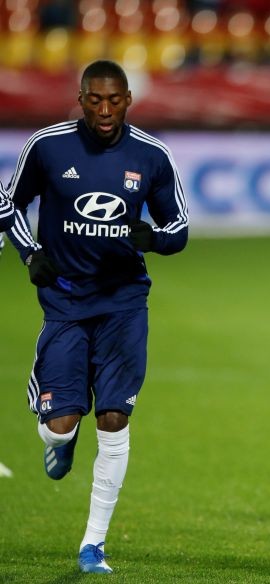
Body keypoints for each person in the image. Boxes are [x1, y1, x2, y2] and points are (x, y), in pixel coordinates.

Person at [4, 60, 188, 574]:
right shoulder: (47, 146)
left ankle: (93, 545)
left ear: (128, 99)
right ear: (81, 98)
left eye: (114, 100)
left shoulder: (152, 156)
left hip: (124, 304)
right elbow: (7, 204)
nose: (105, 111)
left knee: (114, 418)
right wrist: (29, 252)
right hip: (64, 301)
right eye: (95, 100)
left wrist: (152, 237)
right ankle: (58, 435)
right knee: (60, 427)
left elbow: (179, 227)